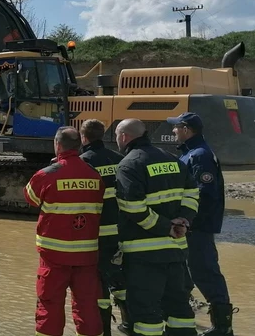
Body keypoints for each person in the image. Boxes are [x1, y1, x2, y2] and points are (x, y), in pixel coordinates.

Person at [115, 118, 200, 336]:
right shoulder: (173, 159)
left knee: (146, 313)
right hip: (177, 252)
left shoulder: (129, 164)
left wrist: (166, 227)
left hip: (145, 256)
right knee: (180, 309)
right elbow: (192, 193)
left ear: (124, 137)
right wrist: (184, 220)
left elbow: (132, 207)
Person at [23, 126, 105, 336]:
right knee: (87, 306)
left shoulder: (47, 174)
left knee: (49, 305)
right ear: (79, 145)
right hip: (87, 255)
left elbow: (30, 199)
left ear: (57, 145)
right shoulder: (94, 174)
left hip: (53, 256)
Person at [167, 112, 237, 335]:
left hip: (198, 228)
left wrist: (188, 221)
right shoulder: (191, 153)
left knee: (205, 271)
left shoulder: (199, 155)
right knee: (189, 272)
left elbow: (205, 194)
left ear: (186, 129)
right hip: (193, 227)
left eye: (176, 127)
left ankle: (223, 327)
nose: (173, 131)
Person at [79, 119, 131, 335]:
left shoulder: (83, 163)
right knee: (121, 280)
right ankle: (129, 322)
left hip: (97, 235)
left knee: (99, 283)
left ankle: (105, 330)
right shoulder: (122, 160)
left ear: (84, 137)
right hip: (122, 233)